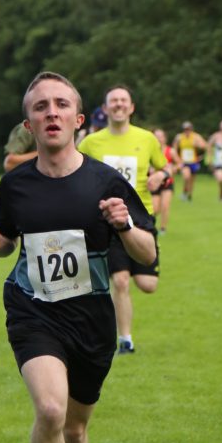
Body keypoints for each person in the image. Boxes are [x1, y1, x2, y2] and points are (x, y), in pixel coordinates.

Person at [0, 72, 156, 443]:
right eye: (40, 106)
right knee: (50, 410)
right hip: (33, 310)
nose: (51, 112)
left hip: (91, 318)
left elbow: (147, 250)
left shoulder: (105, 182)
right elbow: (10, 238)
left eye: (60, 105)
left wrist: (125, 224)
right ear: (28, 124)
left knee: (74, 429)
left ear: (76, 118)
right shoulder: (15, 186)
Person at [77, 85, 168, 355]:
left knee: (148, 285)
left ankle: (145, 257)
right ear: (105, 109)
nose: (118, 104)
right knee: (120, 281)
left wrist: (160, 177)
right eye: (113, 101)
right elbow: (73, 166)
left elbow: (165, 167)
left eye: (123, 100)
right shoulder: (92, 142)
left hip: (141, 217)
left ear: (131, 107)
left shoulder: (147, 138)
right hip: (107, 218)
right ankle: (125, 339)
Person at [150, 128, 176, 235]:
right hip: (154, 183)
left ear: (165, 138)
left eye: (161, 136)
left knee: (165, 205)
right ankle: (151, 226)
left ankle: (163, 228)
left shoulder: (171, 151)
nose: (159, 139)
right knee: (155, 209)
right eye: (156, 136)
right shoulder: (149, 151)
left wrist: (172, 169)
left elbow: (179, 163)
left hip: (167, 182)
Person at [172, 121, 207, 201]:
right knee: (186, 176)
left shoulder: (196, 137)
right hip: (184, 162)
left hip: (193, 162)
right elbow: (174, 148)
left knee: (192, 180)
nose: (187, 131)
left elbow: (204, 146)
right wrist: (177, 159)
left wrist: (197, 145)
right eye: (185, 129)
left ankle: (189, 195)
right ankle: (184, 192)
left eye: (188, 129)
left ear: (191, 129)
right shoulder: (179, 137)